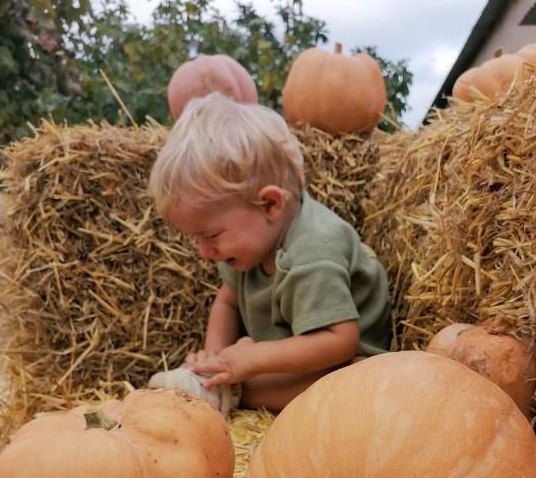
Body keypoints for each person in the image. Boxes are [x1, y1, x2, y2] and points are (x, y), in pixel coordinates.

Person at [147, 92, 391, 415]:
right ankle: (216, 387)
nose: (204, 253)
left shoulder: (312, 253)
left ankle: (224, 395)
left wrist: (254, 358)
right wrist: (216, 359)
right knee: (245, 378)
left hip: (347, 363)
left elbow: (340, 339)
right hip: (293, 356)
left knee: (331, 391)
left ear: (270, 204)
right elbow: (227, 300)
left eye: (211, 235)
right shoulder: (251, 244)